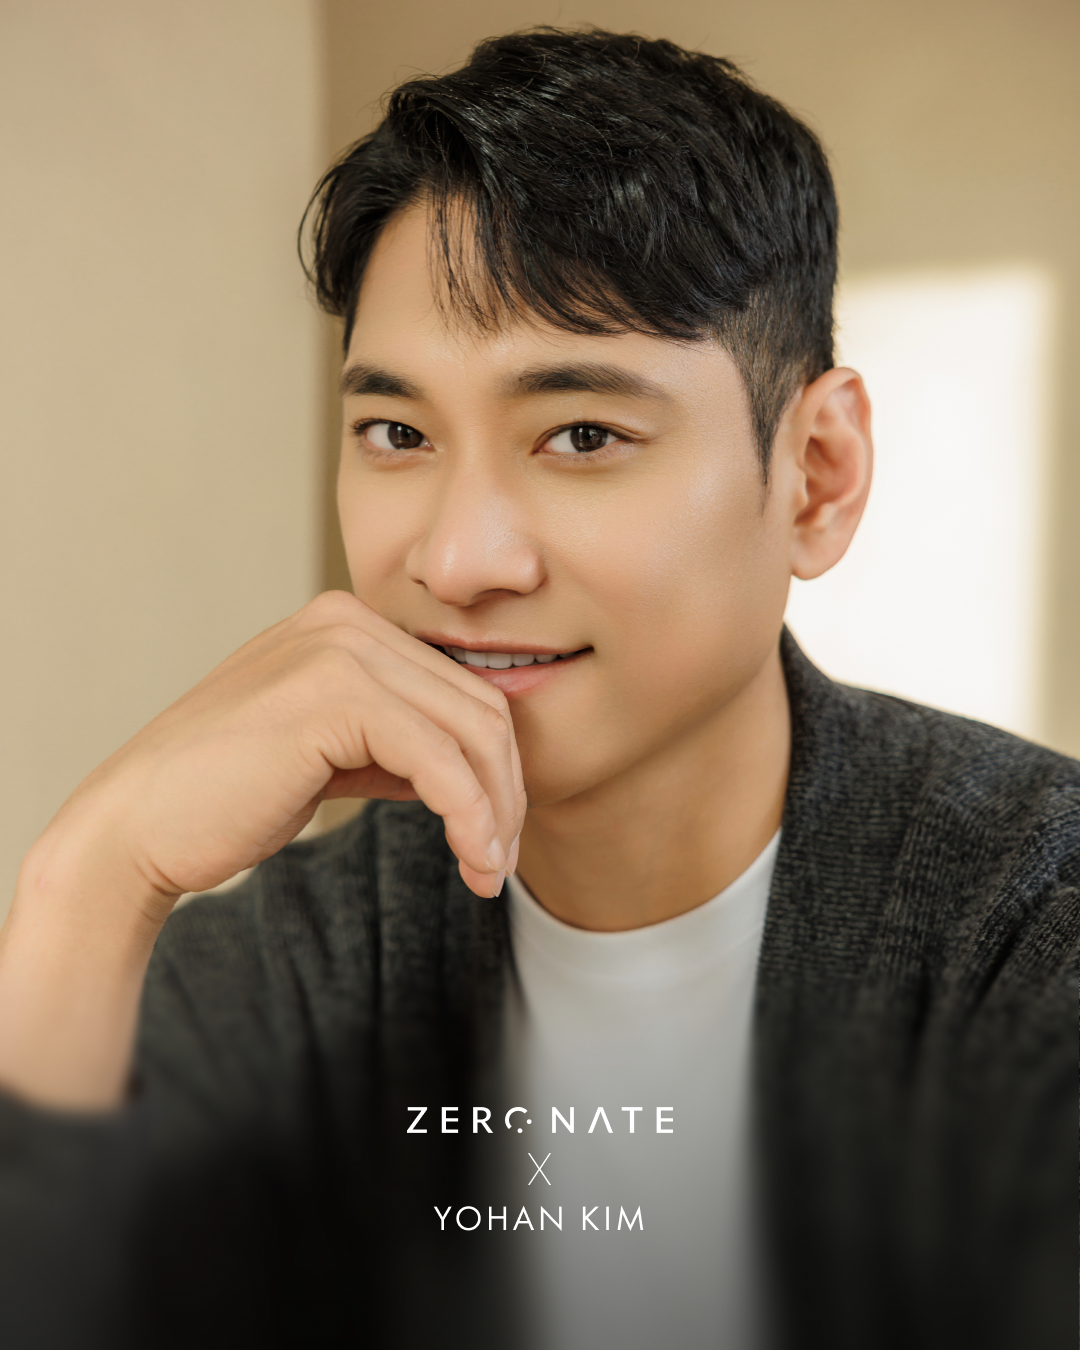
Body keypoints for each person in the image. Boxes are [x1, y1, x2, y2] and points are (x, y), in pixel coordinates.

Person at [0, 27, 1073, 1350]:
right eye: (397, 432)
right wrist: (90, 881)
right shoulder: (284, 970)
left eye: (581, 434)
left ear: (816, 475)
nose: (457, 561)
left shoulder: (1033, 928)